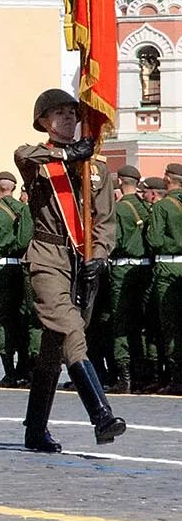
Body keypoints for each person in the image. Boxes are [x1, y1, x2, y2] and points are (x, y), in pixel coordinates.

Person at [14, 88, 123, 452]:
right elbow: (23, 155)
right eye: (58, 114)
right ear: (43, 121)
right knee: (71, 330)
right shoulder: (40, 159)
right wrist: (65, 154)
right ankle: (101, 415)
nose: (67, 119)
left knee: (53, 349)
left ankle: (35, 429)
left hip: (82, 263)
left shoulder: (97, 168)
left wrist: (100, 256)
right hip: (48, 257)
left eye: (72, 113)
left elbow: (106, 221)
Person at [94, 165, 151, 390]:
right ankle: (144, 374)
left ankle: (125, 377)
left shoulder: (118, 210)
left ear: (120, 182)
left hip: (122, 270)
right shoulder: (146, 207)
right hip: (146, 269)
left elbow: (111, 242)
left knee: (121, 322)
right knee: (142, 324)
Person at [0, 171, 35, 386]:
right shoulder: (25, 210)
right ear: (14, 189)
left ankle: (10, 372)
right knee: (24, 319)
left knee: (3, 321)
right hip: (24, 269)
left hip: (0, 269)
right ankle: (26, 368)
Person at [123, 176, 168, 392]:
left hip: (157, 267)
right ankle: (161, 375)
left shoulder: (158, 209)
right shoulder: (146, 209)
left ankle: (143, 376)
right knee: (156, 324)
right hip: (153, 268)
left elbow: (155, 241)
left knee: (145, 323)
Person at [144, 164, 182, 392]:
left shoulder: (164, 206)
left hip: (168, 268)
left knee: (171, 327)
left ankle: (176, 378)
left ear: (167, 179)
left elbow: (155, 240)